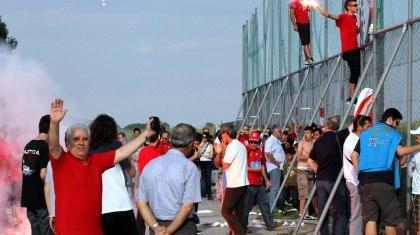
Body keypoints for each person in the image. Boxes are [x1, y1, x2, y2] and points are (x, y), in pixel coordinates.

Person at [48, 99, 154, 235]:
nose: (81, 143)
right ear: (67, 144)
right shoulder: (61, 161)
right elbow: (53, 145)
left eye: (85, 139)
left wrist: (145, 134)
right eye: (76, 139)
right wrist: (54, 123)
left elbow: (123, 152)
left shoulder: (96, 161)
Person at [353, 108, 420, 235]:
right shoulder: (393, 134)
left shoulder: (366, 134)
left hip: (366, 181)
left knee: (371, 220)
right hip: (384, 181)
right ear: (390, 119)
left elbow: (353, 155)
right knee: (391, 220)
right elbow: (400, 152)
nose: (397, 126)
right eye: (397, 122)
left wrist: (359, 174)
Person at [137, 123, 201, 235]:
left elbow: (141, 203)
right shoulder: (189, 167)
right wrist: (168, 231)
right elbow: (187, 207)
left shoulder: (151, 165)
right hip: (183, 227)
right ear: (191, 144)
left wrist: (156, 227)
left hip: (156, 225)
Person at [89, 114, 138, 235]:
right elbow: (132, 173)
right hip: (120, 204)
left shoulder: (88, 150)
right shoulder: (116, 147)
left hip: (98, 207)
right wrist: (129, 157)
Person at [308, 118, 350, 235]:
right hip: (335, 180)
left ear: (326, 126)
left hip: (321, 181)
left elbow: (310, 161)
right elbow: (355, 124)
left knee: (323, 212)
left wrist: (320, 171)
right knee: (342, 211)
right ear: (338, 127)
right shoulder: (339, 136)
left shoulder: (318, 141)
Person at [319, 0, 362, 103]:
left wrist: (361, 27)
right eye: (355, 5)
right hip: (348, 50)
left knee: (357, 72)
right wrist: (327, 14)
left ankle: (352, 96)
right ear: (348, 7)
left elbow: (354, 32)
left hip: (355, 49)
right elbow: (335, 17)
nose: (357, 7)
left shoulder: (354, 18)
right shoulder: (343, 16)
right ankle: (351, 96)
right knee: (354, 71)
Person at [214, 123, 249, 235]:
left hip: (234, 184)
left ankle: (240, 233)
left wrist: (223, 150)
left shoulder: (232, 146)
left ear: (225, 133)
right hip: (243, 183)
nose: (221, 137)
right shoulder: (240, 145)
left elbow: (224, 165)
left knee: (226, 211)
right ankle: (238, 231)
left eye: (221, 134)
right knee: (239, 212)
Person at [242, 131, 281, 232]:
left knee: (265, 204)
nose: (254, 144)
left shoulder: (259, 151)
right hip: (249, 184)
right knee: (246, 207)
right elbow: (242, 166)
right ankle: (243, 227)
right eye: (252, 142)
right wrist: (253, 170)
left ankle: (270, 224)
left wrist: (266, 180)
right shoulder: (246, 151)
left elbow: (262, 166)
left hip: (259, 184)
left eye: (256, 142)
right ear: (249, 141)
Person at [21, 115, 53, 235]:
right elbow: (43, 174)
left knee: (35, 231)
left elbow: (25, 169)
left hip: (28, 199)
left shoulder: (28, 145)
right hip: (41, 200)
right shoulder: (45, 147)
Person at [137, 133, 162, 234]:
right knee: (153, 210)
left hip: (142, 180)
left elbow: (139, 166)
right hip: (154, 184)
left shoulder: (143, 151)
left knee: (141, 208)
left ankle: (139, 230)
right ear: (157, 141)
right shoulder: (158, 154)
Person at [296, 126, 318, 218]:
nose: (306, 134)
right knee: (303, 192)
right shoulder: (301, 143)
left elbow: (317, 157)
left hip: (311, 170)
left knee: (312, 193)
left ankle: (317, 212)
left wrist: (310, 157)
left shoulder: (315, 143)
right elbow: (299, 156)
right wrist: (310, 157)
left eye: (308, 133)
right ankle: (302, 213)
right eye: (305, 133)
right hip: (302, 169)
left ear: (312, 134)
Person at [264, 125, 286, 210]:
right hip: (274, 167)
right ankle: (272, 208)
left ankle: (273, 207)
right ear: (275, 132)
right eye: (280, 131)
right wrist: (276, 163)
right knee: (274, 189)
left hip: (277, 167)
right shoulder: (271, 140)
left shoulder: (277, 141)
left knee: (276, 188)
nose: (281, 133)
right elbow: (268, 153)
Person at [290, 0, 314, 65]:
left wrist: (310, 6)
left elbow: (309, 9)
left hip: (307, 23)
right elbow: (291, 14)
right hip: (300, 24)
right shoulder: (293, 3)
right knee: (305, 42)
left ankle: (307, 59)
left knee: (307, 42)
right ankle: (310, 58)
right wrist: (295, 25)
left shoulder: (304, 2)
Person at [408, 127, 420, 234]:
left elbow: (410, 172)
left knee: (418, 223)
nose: (415, 138)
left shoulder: (415, 153)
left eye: (417, 136)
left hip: (418, 191)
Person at [199, 133, 214, 200]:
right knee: (203, 178)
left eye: (205, 137)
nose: (203, 138)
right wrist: (200, 146)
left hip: (208, 162)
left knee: (208, 178)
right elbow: (198, 155)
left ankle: (209, 195)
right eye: (202, 137)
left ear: (207, 138)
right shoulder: (200, 145)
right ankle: (202, 193)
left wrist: (203, 155)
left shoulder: (210, 145)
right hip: (201, 162)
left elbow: (211, 156)